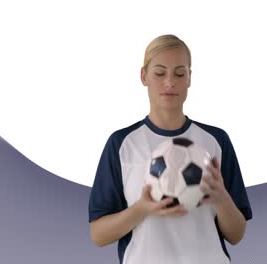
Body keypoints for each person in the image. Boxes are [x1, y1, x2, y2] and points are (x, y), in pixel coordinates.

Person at [88, 34, 252, 264]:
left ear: (189, 78)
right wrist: (142, 209)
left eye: (179, 73)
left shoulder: (216, 141)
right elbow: (98, 235)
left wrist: (222, 197)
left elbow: (236, 235)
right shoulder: (122, 143)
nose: (169, 82)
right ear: (144, 76)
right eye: (159, 73)